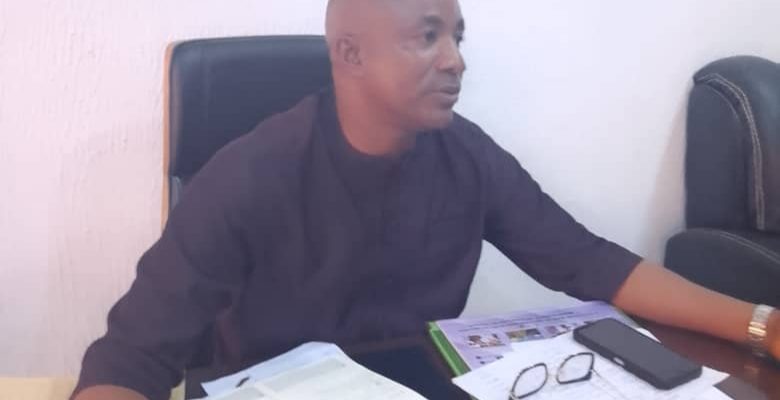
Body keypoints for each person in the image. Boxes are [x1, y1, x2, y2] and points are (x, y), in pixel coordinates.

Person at [72, 0, 779, 399]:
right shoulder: (248, 174)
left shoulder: (466, 157)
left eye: (458, 36)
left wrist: (760, 323)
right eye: (428, 36)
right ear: (350, 55)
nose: (456, 59)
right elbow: (129, 362)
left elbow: (588, 261)